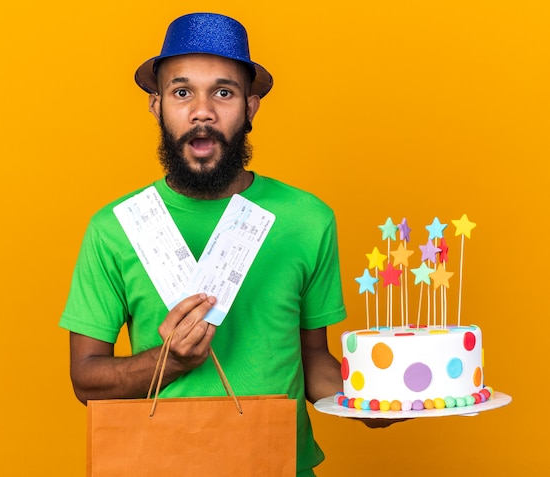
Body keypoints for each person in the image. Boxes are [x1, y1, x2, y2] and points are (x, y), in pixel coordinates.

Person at [60, 12, 347, 476]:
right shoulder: (115, 229)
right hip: (160, 464)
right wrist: (169, 361)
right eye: (181, 92)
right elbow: (85, 380)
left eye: (224, 92)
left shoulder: (307, 219)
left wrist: (373, 399)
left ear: (250, 108)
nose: (202, 111)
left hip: (278, 464)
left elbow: (313, 358)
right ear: (157, 106)